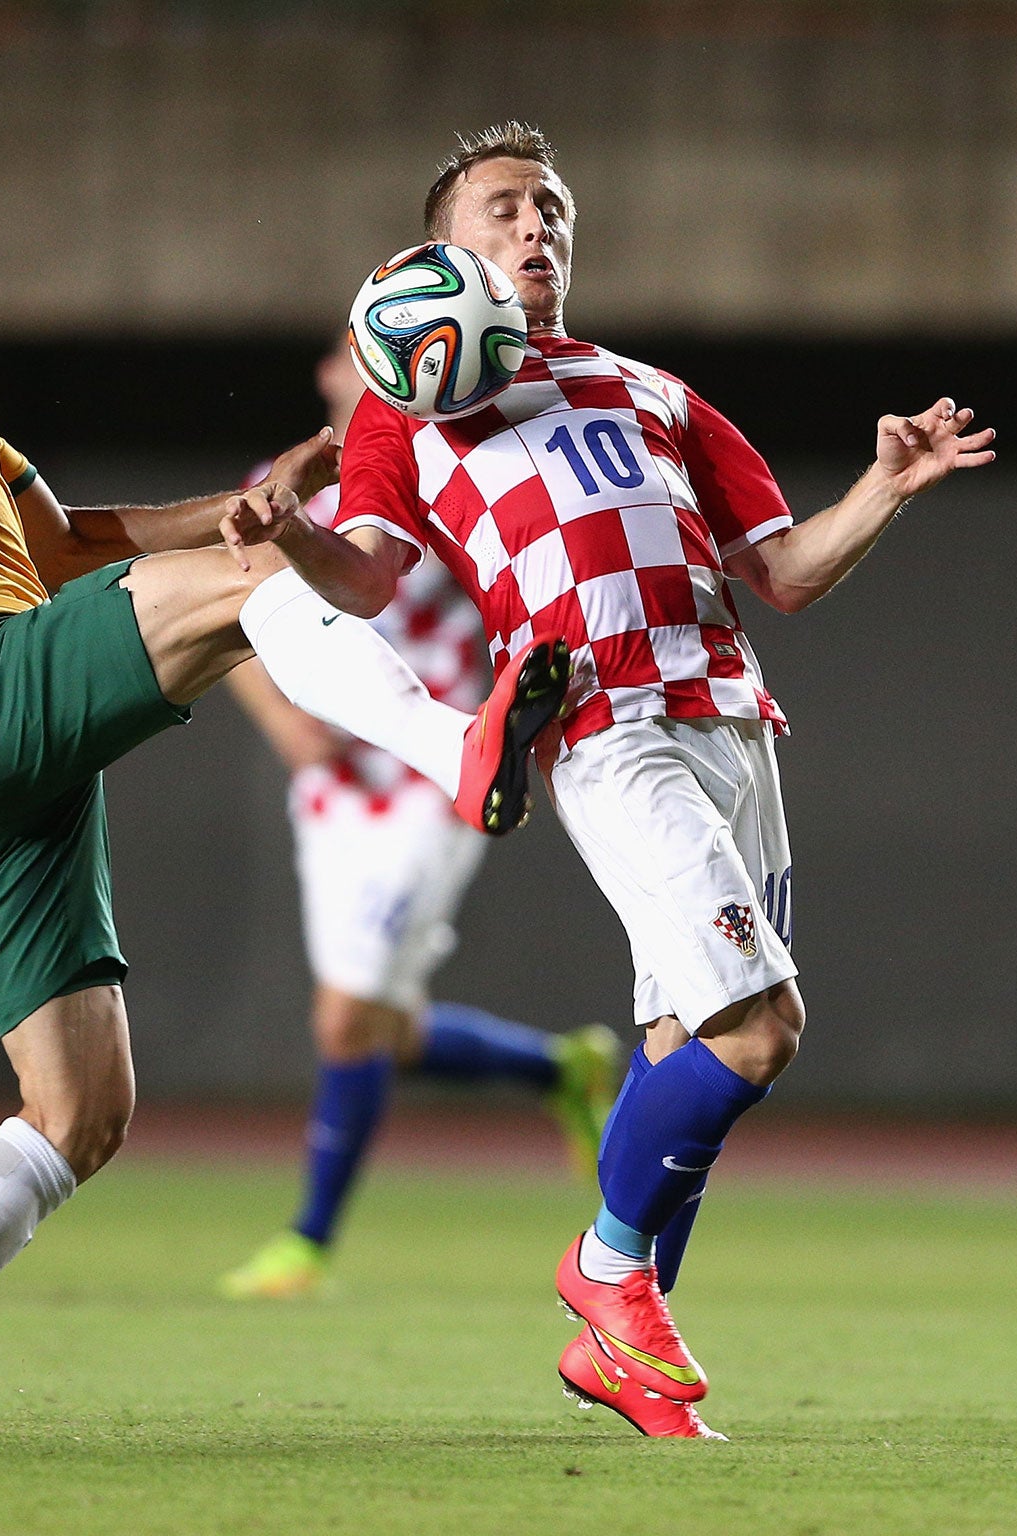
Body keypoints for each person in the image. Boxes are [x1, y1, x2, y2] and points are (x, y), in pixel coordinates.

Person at [0, 104, 573, 1422]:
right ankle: (462, 749)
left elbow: (66, 546)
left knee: (81, 1112)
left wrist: (249, 501)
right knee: (253, 594)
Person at [224, 122, 995, 1438]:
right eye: (505, 209)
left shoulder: (653, 390)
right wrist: (290, 532)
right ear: (440, 255)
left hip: (736, 724)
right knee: (761, 1030)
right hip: (603, 727)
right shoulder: (406, 417)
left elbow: (788, 572)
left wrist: (886, 485)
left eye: (552, 209)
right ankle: (606, 1269)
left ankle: (628, 1358)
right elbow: (364, 577)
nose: (536, 229)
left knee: (677, 1046)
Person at [218, 337, 618, 1301]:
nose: (346, 372)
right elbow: (226, 615)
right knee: (377, 1024)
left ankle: (308, 1243)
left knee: (348, 1018)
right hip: (332, 795)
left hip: (432, 776)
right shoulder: (281, 486)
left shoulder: (453, 468)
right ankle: (558, 1069)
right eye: (344, 354)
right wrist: (283, 723)